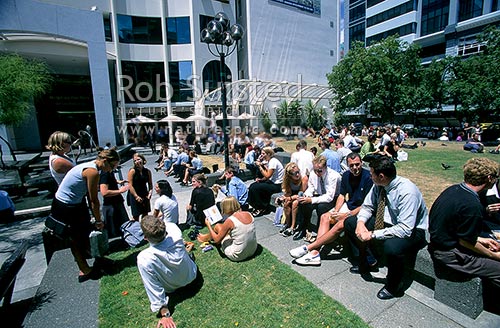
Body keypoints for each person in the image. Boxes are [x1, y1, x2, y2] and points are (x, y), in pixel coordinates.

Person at [343, 156, 428, 300]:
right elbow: (368, 206)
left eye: (371, 174)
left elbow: (405, 228)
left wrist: (372, 234)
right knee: (350, 223)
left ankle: (394, 285)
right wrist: (360, 223)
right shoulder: (379, 185)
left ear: (381, 176)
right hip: (387, 222)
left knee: (392, 247)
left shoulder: (407, 192)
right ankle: (368, 261)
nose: (370, 176)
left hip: (412, 230)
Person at [429, 158, 500, 314]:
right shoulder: (472, 204)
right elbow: (466, 241)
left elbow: (455, 228)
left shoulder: (454, 190)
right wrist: (494, 255)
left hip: (441, 243)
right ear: (489, 178)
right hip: (448, 254)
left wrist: (481, 239)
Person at [289, 153, 373, 266]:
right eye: (351, 165)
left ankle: (309, 248)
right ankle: (315, 253)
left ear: (361, 163)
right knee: (325, 216)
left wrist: (347, 215)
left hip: (361, 210)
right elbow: (342, 196)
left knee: (338, 225)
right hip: (349, 205)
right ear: (347, 165)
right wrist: (336, 211)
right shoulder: (347, 175)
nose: (355, 168)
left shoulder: (368, 178)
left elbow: (367, 205)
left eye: (357, 164)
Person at [50, 148, 120, 282]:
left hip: (76, 203)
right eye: (112, 166)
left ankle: (97, 259)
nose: (111, 170)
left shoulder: (93, 167)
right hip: (66, 206)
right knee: (75, 238)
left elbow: (88, 195)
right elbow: (94, 200)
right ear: (105, 161)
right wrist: (99, 220)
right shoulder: (92, 171)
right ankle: (85, 269)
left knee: (86, 232)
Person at [137, 215, 198, 328]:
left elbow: (153, 287)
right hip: (192, 276)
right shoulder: (174, 230)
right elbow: (168, 224)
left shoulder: (145, 257)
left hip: (172, 288)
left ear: (145, 238)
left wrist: (165, 314)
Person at [294, 156, 341, 241]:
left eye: (319, 170)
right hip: (320, 195)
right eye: (315, 170)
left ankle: (321, 233)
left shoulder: (333, 176)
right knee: (303, 203)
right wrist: (306, 196)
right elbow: (311, 188)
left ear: (325, 167)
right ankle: (302, 228)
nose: (317, 173)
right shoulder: (313, 173)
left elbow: (329, 197)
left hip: (333, 197)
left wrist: (311, 200)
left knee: (321, 207)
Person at [197, 196, 257, 262]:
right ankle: (205, 237)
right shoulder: (249, 214)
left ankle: (204, 238)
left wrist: (208, 225)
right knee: (219, 227)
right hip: (253, 250)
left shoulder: (230, 220)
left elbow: (217, 241)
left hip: (237, 254)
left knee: (218, 227)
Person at [247, 147, 285, 217]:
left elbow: (267, 175)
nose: (262, 155)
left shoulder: (273, 161)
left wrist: (260, 166)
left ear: (269, 154)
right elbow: (268, 175)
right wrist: (261, 180)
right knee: (253, 185)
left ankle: (261, 208)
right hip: (272, 182)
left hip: (276, 185)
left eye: (263, 153)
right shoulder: (270, 161)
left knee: (255, 188)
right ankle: (255, 205)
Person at [99, 159, 129, 238]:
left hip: (117, 201)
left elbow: (110, 182)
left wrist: (118, 182)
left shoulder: (110, 171)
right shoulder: (105, 173)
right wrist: (119, 191)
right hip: (111, 204)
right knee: (114, 226)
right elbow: (104, 192)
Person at [278, 162, 308, 237]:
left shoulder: (304, 178)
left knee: (295, 203)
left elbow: (300, 194)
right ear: (290, 175)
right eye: (295, 173)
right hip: (293, 195)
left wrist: (290, 198)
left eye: (298, 172)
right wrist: (284, 198)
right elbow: (288, 192)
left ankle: (293, 226)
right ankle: (288, 224)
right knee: (286, 203)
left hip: (302, 195)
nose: (297, 175)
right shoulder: (287, 180)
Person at [127, 153, 153, 221]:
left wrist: (150, 193)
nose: (137, 162)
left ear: (143, 160)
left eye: (138, 159)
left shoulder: (147, 171)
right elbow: (130, 185)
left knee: (145, 214)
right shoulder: (132, 171)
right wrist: (136, 196)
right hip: (134, 194)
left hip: (144, 193)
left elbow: (150, 184)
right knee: (136, 215)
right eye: (135, 161)